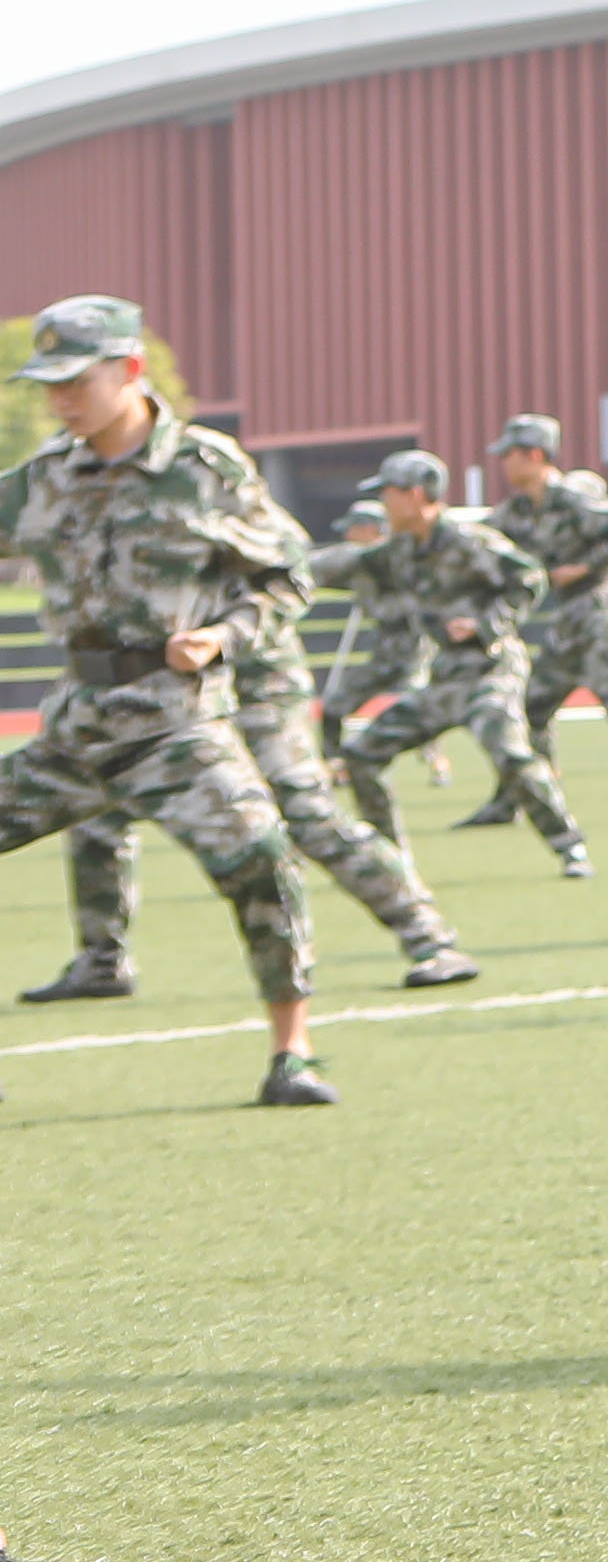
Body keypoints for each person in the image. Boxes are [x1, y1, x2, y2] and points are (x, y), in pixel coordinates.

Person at [0, 299, 347, 1107]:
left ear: (128, 371)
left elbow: (287, 574)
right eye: (49, 385)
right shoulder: (43, 479)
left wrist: (225, 635)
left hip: (178, 727)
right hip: (79, 729)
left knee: (263, 858)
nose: (60, 400)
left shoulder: (206, 469)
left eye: (75, 381)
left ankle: (292, 1055)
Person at [48, 444, 481, 1007]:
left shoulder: (231, 510)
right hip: (174, 691)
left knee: (304, 810)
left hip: (259, 684)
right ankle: (102, 961)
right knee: (99, 809)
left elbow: (293, 574)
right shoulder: (119, 517)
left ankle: (430, 938)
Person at [310, 460, 591, 875]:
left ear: (414, 495)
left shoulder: (468, 541)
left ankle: (569, 846)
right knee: (362, 755)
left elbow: (529, 577)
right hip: (446, 678)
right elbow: (341, 563)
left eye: (388, 493)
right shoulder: (399, 550)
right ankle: (393, 859)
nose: (383, 503)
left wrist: (485, 624)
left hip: (491, 669)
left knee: (509, 752)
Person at [480, 420, 608, 820]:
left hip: (602, 616)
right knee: (530, 707)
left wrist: (585, 567)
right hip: (567, 622)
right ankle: (525, 798)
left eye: (510, 455)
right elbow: (485, 540)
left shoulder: (574, 498)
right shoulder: (519, 509)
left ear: (535, 455)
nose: (504, 463)